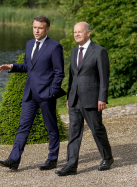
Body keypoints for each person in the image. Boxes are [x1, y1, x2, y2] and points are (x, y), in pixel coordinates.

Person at [0, 15, 66, 171]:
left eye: (40, 28)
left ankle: (52, 159)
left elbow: (59, 73)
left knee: (51, 128)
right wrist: (12, 66)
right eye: (34, 27)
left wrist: (51, 93)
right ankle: (14, 160)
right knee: (23, 126)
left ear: (47, 29)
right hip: (30, 94)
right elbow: (29, 66)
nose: (36, 30)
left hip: (46, 95)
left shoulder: (54, 47)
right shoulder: (29, 44)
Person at [56, 22, 114, 176]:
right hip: (75, 99)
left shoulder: (99, 51)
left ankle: (107, 158)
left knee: (96, 129)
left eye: (79, 32)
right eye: (75, 32)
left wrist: (102, 97)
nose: (76, 35)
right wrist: (69, 97)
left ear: (88, 33)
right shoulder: (74, 51)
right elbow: (72, 77)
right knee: (74, 132)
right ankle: (71, 165)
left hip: (92, 99)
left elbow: (104, 76)